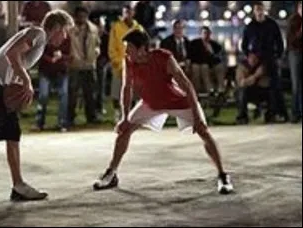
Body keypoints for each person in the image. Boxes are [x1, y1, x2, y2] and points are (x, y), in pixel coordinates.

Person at [0, 10, 74, 207]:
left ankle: (18, 185)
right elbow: (12, 54)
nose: (66, 36)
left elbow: (14, 61)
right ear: (57, 28)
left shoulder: (39, 38)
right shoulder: (39, 34)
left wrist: (18, 85)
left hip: (0, 87)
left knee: (13, 134)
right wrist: (26, 80)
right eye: (65, 31)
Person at [93, 30, 234, 195]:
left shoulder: (164, 58)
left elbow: (187, 86)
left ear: (142, 49)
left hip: (178, 102)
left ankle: (223, 175)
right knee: (124, 130)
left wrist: (196, 117)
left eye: (129, 47)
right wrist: (124, 117)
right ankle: (112, 173)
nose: (126, 52)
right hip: (151, 103)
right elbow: (126, 89)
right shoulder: (129, 61)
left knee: (203, 131)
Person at [242, 1, 288, 123]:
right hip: (256, 59)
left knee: (275, 86)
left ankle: (278, 113)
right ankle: (250, 113)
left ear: (264, 10)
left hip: (270, 58)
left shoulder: (272, 24)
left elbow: (280, 43)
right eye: (257, 10)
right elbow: (244, 45)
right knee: (253, 85)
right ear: (254, 11)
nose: (259, 12)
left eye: (261, 9)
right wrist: (248, 55)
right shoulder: (250, 26)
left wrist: (279, 56)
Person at [109, 5, 143, 122]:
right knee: (117, 90)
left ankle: (132, 115)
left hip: (134, 64)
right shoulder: (116, 27)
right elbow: (112, 47)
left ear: (133, 13)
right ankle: (118, 113)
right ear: (122, 14)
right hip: (119, 64)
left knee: (133, 91)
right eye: (125, 12)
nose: (127, 15)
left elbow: (142, 45)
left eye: (129, 12)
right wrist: (117, 62)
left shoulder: (138, 27)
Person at [68, 6, 101, 126]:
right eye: (80, 16)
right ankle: (70, 117)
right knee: (72, 94)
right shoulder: (70, 30)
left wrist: (96, 52)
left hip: (89, 64)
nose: (82, 18)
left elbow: (97, 43)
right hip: (75, 65)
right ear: (75, 17)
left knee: (90, 93)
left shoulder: (93, 29)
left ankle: (91, 117)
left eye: (84, 16)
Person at [235, 52, 269, 124]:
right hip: (245, 91)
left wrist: (249, 79)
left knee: (269, 91)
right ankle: (242, 116)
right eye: (252, 58)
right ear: (248, 58)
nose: (254, 60)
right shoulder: (242, 66)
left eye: (256, 58)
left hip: (258, 90)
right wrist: (255, 76)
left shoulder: (262, 66)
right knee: (241, 92)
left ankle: (269, 114)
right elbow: (241, 83)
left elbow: (265, 83)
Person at [190, 26, 226, 94]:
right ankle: (209, 90)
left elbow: (219, 55)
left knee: (220, 67)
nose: (207, 35)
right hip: (200, 63)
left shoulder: (213, 44)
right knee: (204, 67)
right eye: (205, 33)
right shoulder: (195, 43)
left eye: (208, 33)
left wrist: (211, 52)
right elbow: (193, 56)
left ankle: (221, 89)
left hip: (211, 63)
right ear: (200, 34)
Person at [287, 1, 302, 123]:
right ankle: (295, 114)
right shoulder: (293, 21)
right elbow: (291, 41)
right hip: (295, 54)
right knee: (296, 85)